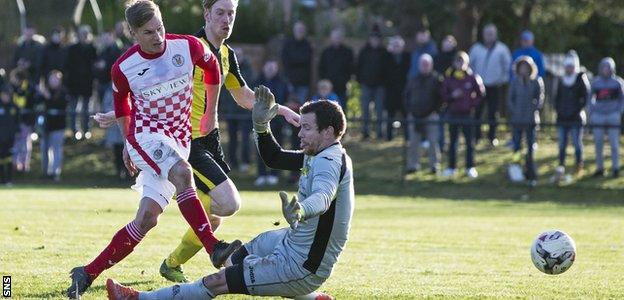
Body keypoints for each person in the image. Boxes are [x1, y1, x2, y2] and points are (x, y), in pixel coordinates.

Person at [92, 0, 301, 284]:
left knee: (213, 216)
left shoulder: (226, 55)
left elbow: (243, 97)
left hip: (209, 139)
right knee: (227, 203)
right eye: (220, 13)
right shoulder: (187, 48)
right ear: (206, 15)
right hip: (185, 142)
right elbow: (152, 88)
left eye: (232, 13)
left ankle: (172, 261)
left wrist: (283, 111)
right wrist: (119, 116)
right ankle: (210, 238)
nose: (227, 20)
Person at [67, 1, 242, 297]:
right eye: (149, 32)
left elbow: (212, 66)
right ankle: (214, 248)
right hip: (146, 136)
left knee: (147, 218)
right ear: (133, 32)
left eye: (160, 27)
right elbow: (122, 104)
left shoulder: (186, 47)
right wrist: (127, 141)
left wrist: (210, 112)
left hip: (178, 141)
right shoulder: (123, 67)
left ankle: (86, 273)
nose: (158, 36)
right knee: (183, 173)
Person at [105, 90, 350, 300]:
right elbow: (274, 158)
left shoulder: (329, 161)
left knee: (217, 282)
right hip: (291, 243)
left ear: (328, 132)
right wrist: (261, 126)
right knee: (235, 259)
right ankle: (313, 297)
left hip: (303, 265)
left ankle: (138, 298)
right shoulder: (317, 153)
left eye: (306, 128)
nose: (299, 134)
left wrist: (302, 209)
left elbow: (323, 197)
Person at [440, 52, 484, 178]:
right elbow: (443, 95)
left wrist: (471, 103)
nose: (460, 64)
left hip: (467, 114)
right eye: (457, 61)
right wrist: (452, 96)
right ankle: (451, 167)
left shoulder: (472, 77)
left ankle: (470, 167)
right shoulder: (449, 78)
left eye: (462, 61)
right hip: (453, 113)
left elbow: (480, 94)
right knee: (453, 142)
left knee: (469, 142)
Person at [469, 24, 511, 146]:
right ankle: (476, 136)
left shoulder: (502, 49)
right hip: (478, 86)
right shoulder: (476, 48)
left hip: (495, 86)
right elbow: (470, 66)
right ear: (483, 35)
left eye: (491, 33)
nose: (489, 36)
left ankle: (492, 137)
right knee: (477, 112)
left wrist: (502, 80)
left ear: (495, 34)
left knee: (493, 113)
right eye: (487, 33)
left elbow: (507, 66)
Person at [553, 51, 590, 181]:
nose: (569, 68)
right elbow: (556, 98)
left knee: (576, 143)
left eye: (571, 66)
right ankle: (561, 167)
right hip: (562, 117)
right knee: (562, 144)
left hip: (576, 118)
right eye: (567, 66)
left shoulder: (581, 78)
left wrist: (576, 110)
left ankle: (579, 165)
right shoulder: (561, 79)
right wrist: (559, 111)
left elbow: (585, 98)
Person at [508, 56, 544, 185]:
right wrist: (516, 112)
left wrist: (531, 111)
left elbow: (539, 101)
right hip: (517, 120)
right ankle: (516, 169)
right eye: (521, 67)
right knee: (517, 147)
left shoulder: (536, 81)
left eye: (526, 67)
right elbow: (510, 100)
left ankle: (530, 172)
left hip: (530, 120)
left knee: (530, 147)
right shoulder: (515, 82)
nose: (523, 70)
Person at [253, 60, 290, 186]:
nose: (270, 70)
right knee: (261, 148)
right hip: (260, 122)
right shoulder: (257, 82)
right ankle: (261, 175)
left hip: (277, 122)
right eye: (268, 67)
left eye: (273, 67)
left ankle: (274, 175)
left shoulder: (283, 82)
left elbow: (285, 100)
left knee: (276, 149)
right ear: (263, 68)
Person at [405, 54, 442, 174]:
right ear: (419, 65)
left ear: (431, 65)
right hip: (414, 115)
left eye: (427, 64)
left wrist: (435, 110)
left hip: (431, 115)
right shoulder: (413, 79)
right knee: (413, 142)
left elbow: (440, 98)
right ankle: (413, 165)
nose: (425, 67)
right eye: (423, 64)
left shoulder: (436, 79)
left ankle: (434, 165)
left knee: (433, 142)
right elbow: (406, 96)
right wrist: (410, 111)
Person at [589, 57, 624, 178]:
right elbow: (590, 99)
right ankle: (600, 168)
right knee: (598, 143)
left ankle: (615, 168)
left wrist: (618, 111)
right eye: (603, 67)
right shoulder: (596, 82)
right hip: (599, 115)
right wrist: (593, 112)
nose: (605, 69)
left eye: (608, 67)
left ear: (612, 69)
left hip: (613, 115)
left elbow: (622, 98)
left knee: (614, 144)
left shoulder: (617, 82)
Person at [223, 47, 253, 173]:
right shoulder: (226, 70)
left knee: (245, 139)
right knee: (232, 140)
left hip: (244, 112)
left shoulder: (248, 72)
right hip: (231, 111)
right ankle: (233, 162)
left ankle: (245, 162)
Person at [65, 25, 97, 140]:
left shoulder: (93, 49)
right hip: (74, 83)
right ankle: (75, 130)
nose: (84, 36)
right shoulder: (72, 49)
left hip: (87, 84)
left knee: (87, 109)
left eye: (86, 34)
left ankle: (86, 130)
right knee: (74, 109)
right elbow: (68, 66)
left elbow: (95, 66)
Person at [357, 28, 389, 140]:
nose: (375, 41)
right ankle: (365, 133)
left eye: (377, 39)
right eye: (373, 38)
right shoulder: (364, 51)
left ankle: (380, 133)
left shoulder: (384, 52)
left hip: (380, 86)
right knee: (365, 110)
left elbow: (388, 70)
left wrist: (384, 82)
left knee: (380, 110)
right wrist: (361, 80)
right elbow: (358, 67)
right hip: (366, 84)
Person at [37, 70, 67, 181]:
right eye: (51, 79)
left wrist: (47, 96)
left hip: (58, 126)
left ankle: (55, 174)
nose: (53, 81)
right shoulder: (44, 91)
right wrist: (41, 94)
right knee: (44, 150)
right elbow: (38, 102)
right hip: (46, 126)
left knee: (56, 150)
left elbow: (61, 104)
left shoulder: (63, 92)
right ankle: (45, 173)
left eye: (56, 79)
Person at [318, 27, 353, 110]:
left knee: (341, 111)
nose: (336, 39)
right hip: (327, 89)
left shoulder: (347, 52)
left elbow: (350, 69)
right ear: (331, 38)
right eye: (335, 37)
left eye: (338, 37)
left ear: (342, 38)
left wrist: (345, 80)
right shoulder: (326, 52)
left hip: (341, 88)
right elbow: (321, 68)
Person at [9, 68, 36, 173]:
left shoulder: (28, 88)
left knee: (24, 142)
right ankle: (14, 164)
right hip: (14, 121)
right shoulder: (11, 88)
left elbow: (29, 103)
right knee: (15, 143)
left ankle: (24, 164)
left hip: (26, 120)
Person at [384, 35, 411, 141]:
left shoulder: (407, 56)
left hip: (403, 90)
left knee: (405, 115)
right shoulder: (387, 57)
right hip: (391, 90)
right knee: (390, 115)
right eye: (395, 45)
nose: (396, 48)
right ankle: (389, 136)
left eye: (398, 46)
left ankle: (407, 136)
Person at [282, 21, 313, 104]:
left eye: (302, 30)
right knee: (288, 107)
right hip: (289, 81)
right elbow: (285, 60)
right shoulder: (287, 44)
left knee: (300, 109)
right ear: (294, 30)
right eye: (298, 29)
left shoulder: (307, 45)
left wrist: (294, 59)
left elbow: (306, 59)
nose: (300, 32)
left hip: (303, 83)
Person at [0, 85, 18, 186]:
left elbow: (17, 121)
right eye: (3, 95)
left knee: (9, 158)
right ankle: (2, 180)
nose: (5, 97)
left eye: (7, 95)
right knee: (1, 159)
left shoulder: (14, 107)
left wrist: (16, 132)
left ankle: (9, 180)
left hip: (10, 138)